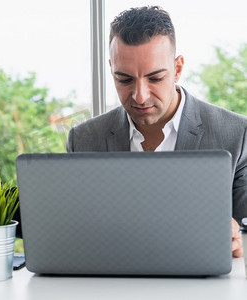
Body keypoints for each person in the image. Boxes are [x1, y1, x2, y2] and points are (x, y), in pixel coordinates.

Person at [67, 6, 247, 257]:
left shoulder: (238, 134)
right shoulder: (83, 140)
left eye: (155, 78)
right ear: (111, 70)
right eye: (125, 79)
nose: (140, 96)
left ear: (178, 68)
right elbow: (76, 233)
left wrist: (238, 237)